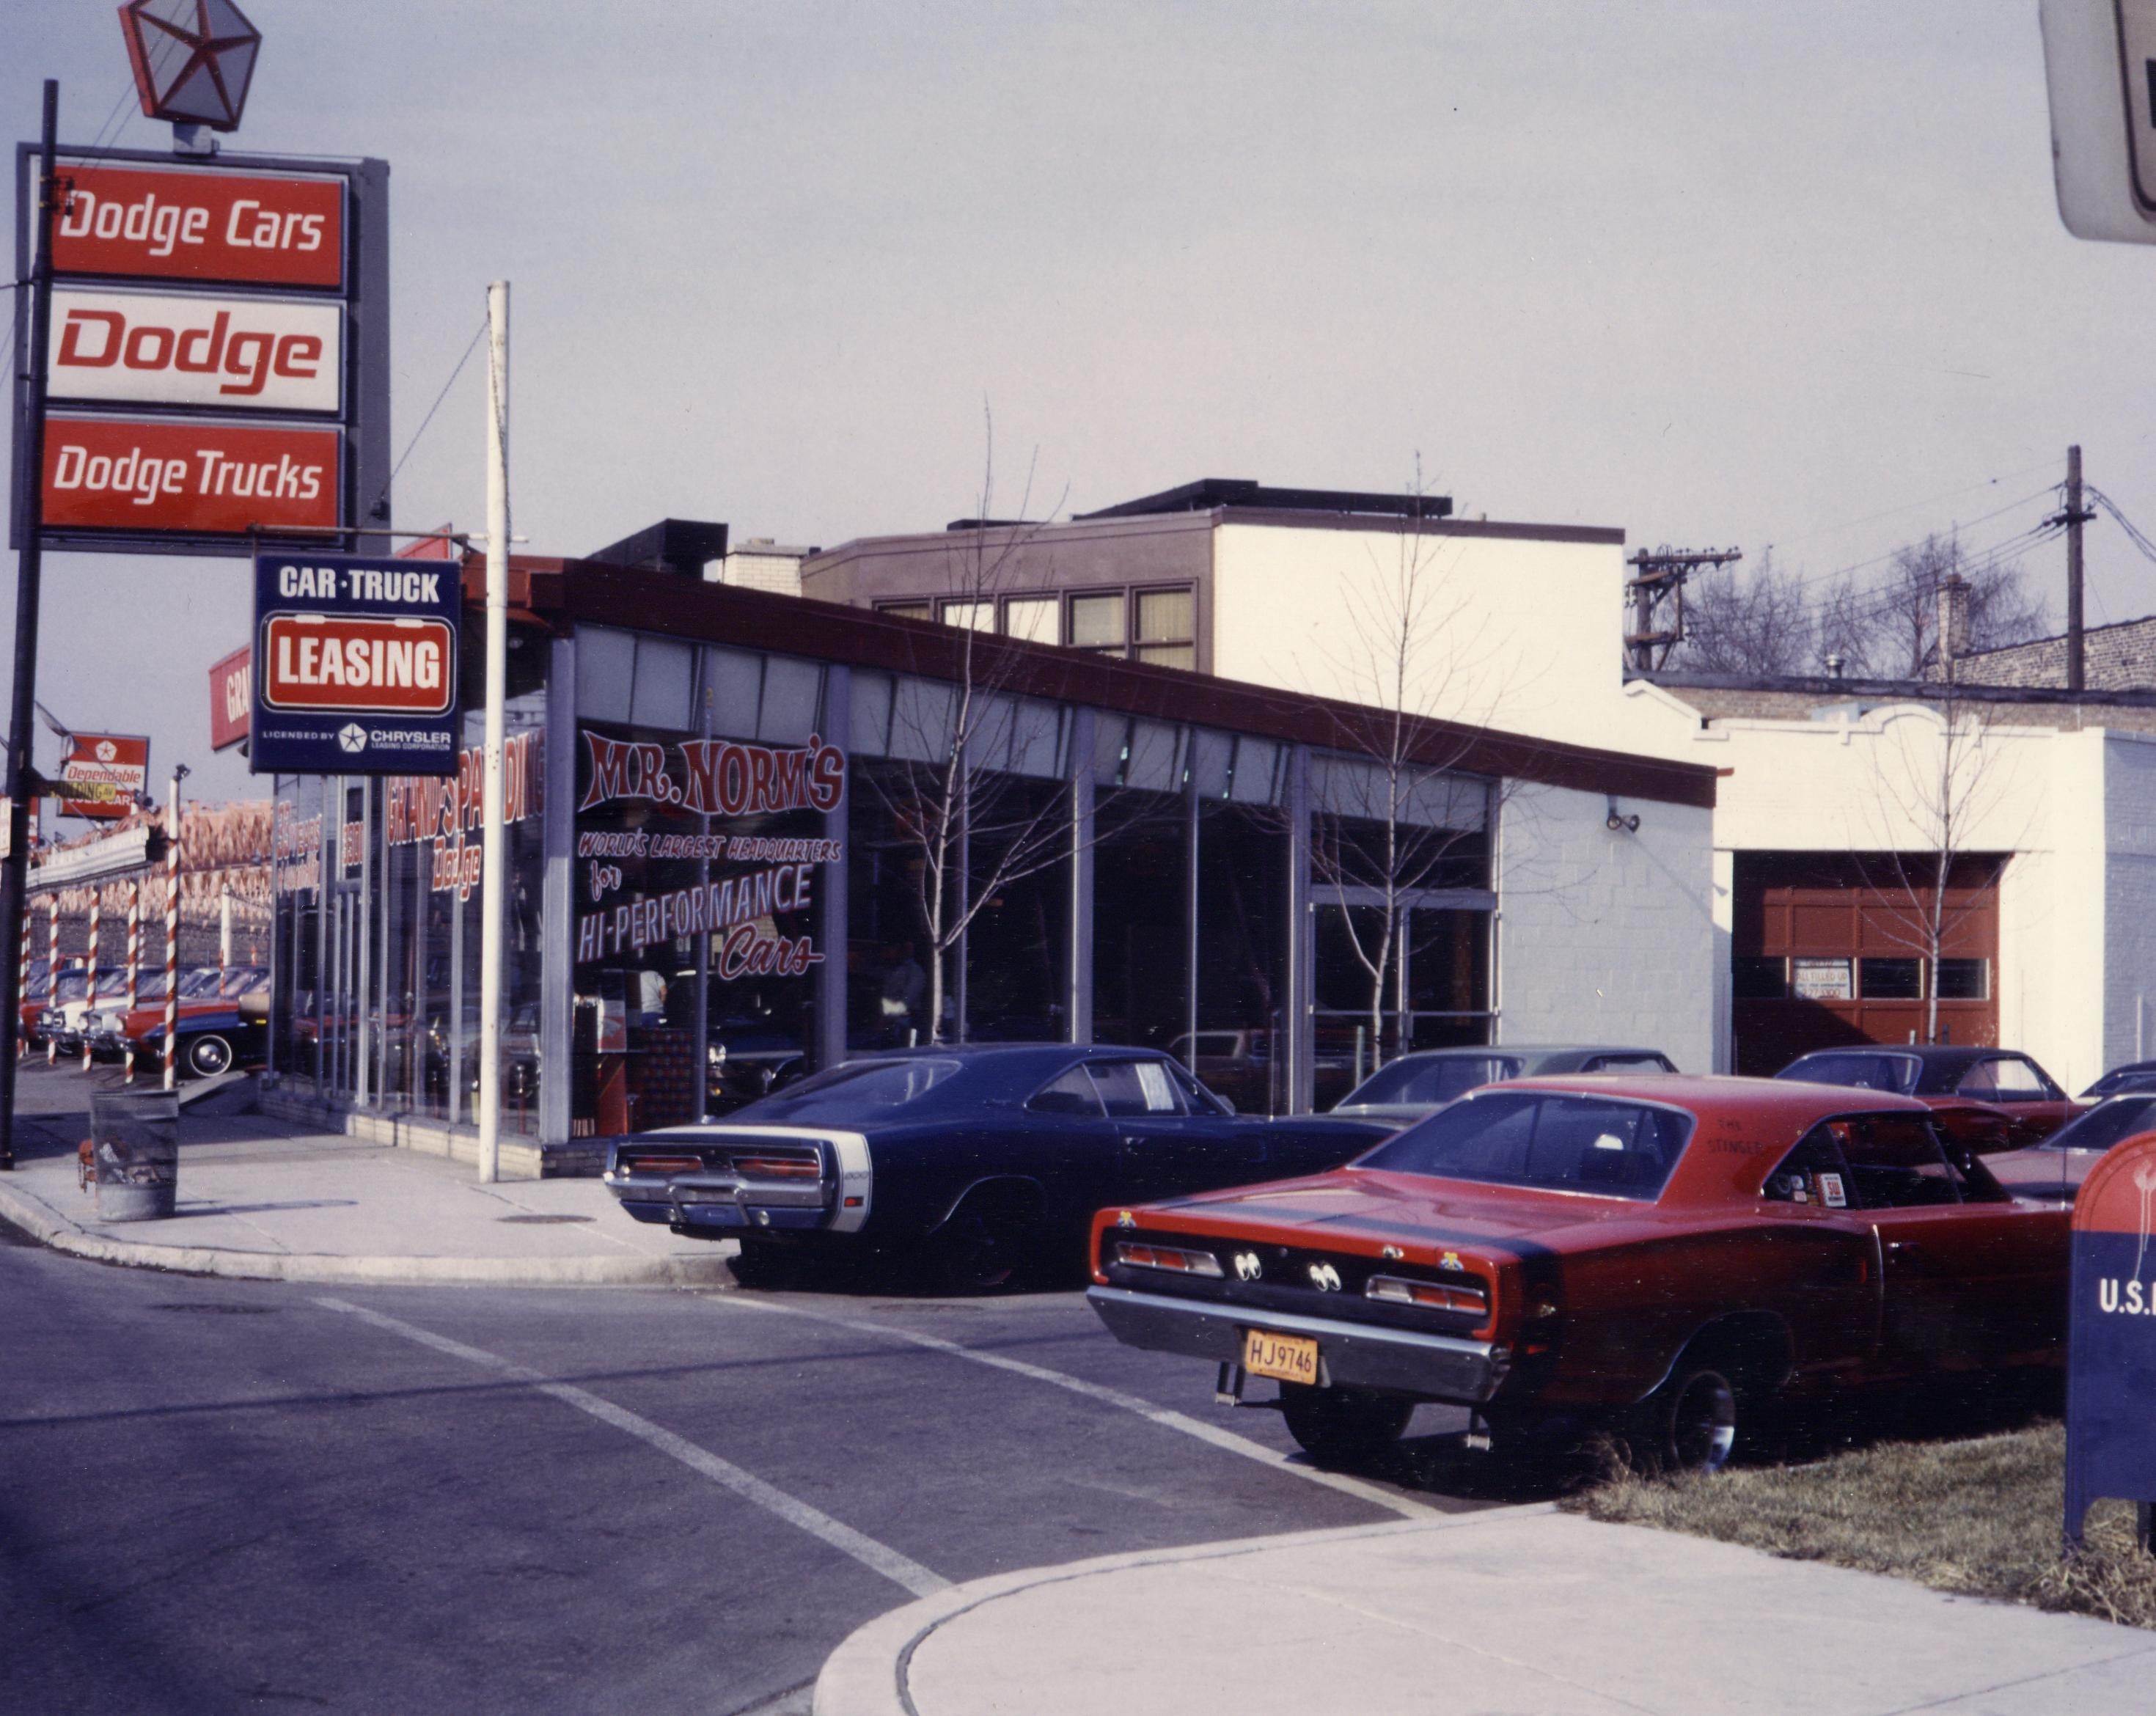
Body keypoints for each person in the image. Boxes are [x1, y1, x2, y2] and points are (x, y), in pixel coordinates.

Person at [879, 943, 925, 1045]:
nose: (887, 953)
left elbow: (909, 998)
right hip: (892, 1020)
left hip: (907, 1020)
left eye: (890, 950)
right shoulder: (892, 970)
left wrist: (890, 1017)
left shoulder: (914, 970)